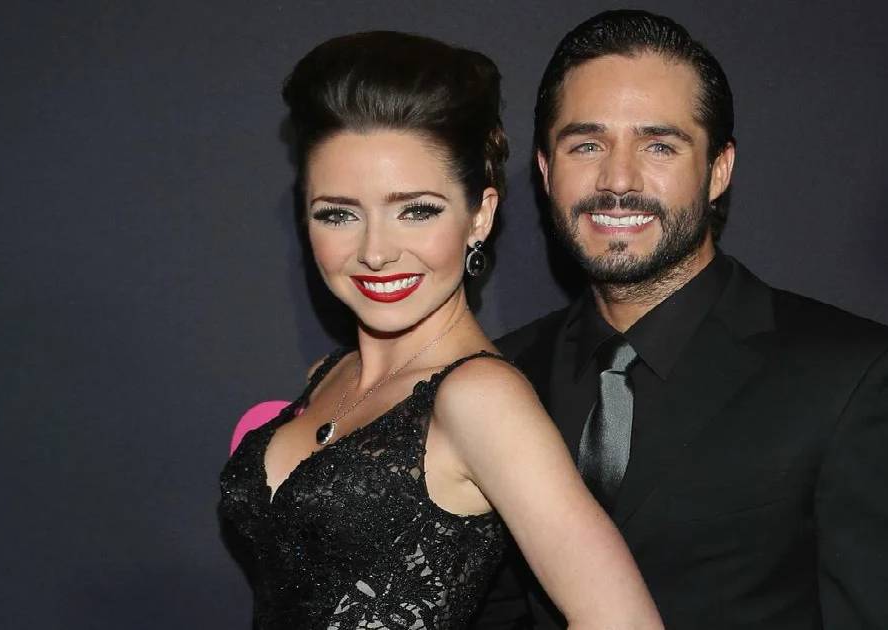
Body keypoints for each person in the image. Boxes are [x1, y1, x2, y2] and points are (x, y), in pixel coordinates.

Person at [474, 10, 888, 629]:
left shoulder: (854, 379)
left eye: (659, 146)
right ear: (546, 171)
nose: (617, 179)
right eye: (587, 145)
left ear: (718, 170)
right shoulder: (499, 378)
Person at [217, 31, 663, 630]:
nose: (376, 251)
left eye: (416, 210)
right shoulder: (329, 374)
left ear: (479, 215)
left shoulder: (480, 398)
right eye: (339, 214)